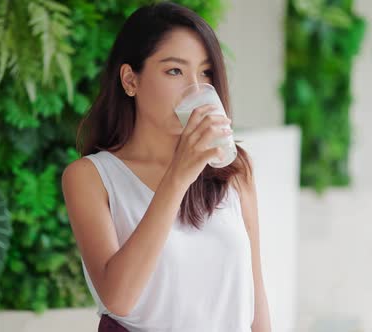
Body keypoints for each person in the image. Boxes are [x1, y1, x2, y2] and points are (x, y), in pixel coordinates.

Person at [61, 2, 271, 331]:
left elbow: (256, 299)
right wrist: (177, 177)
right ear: (130, 80)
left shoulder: (234, 169)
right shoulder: (92, 177)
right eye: (174, 71)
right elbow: (118, 298)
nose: (194, 87)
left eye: (205, 73)